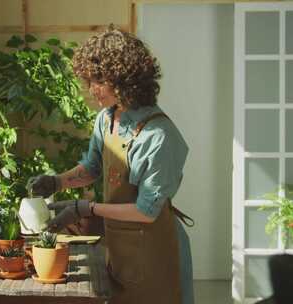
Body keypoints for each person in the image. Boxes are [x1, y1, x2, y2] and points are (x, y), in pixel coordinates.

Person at [27, 27, 194, 304]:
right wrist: (57, 181)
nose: (92, 89)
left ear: (126, 78)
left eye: (100, 80)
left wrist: (86, 208)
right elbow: (92, 169)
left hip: (156, 251)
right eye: (89, 80)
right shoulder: (106, 119)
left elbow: (146, 212)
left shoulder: (159, 136)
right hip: (122, 248)